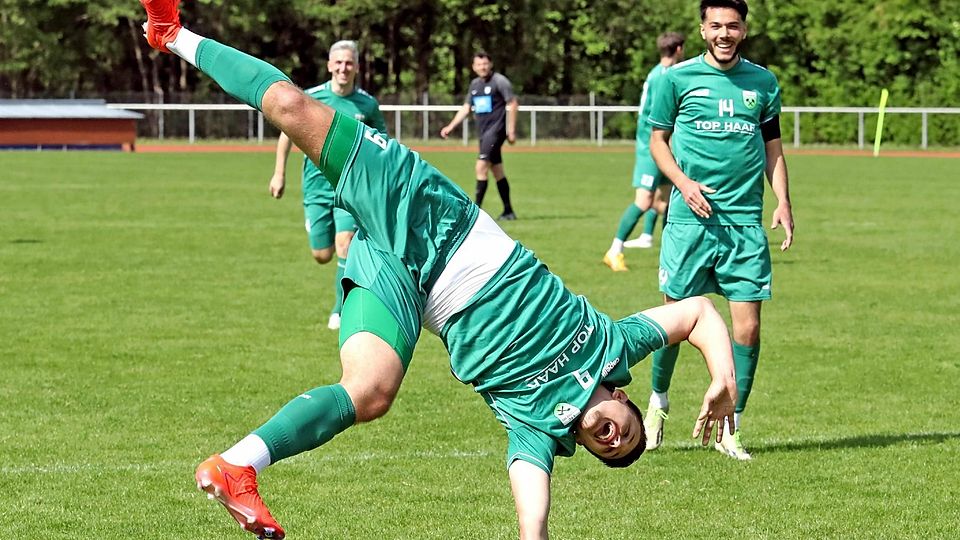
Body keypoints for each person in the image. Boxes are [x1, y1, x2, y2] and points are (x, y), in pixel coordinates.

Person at [138, 2, 738, 538]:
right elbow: (697, 313)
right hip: (435, 221)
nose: (614, 437)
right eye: (627, 431)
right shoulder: (612, 345)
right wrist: (722, 380)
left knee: (370, 393)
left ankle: (238, 465)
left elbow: (532, 507)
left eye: (609, 449)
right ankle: (174, 33)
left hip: (411, 288)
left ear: (582, 445)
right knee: (298, 107)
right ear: (625, 400)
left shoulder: (535, 431)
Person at [642, 0, 794, 460]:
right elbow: (657, 141)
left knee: (747, 330)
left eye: (732, 25)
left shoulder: (763, 83)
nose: (724, 33)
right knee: (673, 324)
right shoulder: (676, 79)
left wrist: (783, 200)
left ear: (743, 29)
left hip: (745, 225)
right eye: (715, 26)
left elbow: (773, 147)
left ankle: (732, 427)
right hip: (690, 223)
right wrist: (683, 184)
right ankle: (658, 405)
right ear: (703, 29)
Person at [268, 40, 387, 330]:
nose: (344, 68)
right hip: (316, 187)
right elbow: (287, 134)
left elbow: (382, 143)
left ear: (357, 67)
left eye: (349, 63)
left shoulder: (367, 104)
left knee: (345, 242)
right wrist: (279, 173)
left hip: (350, 186)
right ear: (329, 65)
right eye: (339, 62)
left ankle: (340, 308)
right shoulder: (311, 98)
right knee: (322, 255)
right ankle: (336, 259)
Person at [603, 32, 685, 272]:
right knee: (644, 200)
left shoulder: (657, 73)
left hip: (660, 145)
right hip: (652, 147)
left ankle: (672, 254)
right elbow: (657, 117)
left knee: (669, 201)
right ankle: (614, 251)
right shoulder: (664, 76)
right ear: (678, 49)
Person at [439, 52, 519, 221]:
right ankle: (508, 211)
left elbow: (512, 103)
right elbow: (467, 107)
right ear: (474, 67)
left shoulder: (499, 81)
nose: (482, 67)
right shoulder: (475, 84)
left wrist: (510, 131)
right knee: (497, 171)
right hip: (484, 134)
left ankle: (475, 213)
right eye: (479, 64)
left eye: (485, 64)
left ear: (490, 64)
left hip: (496, 132)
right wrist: (451, 126)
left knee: (480, 167)